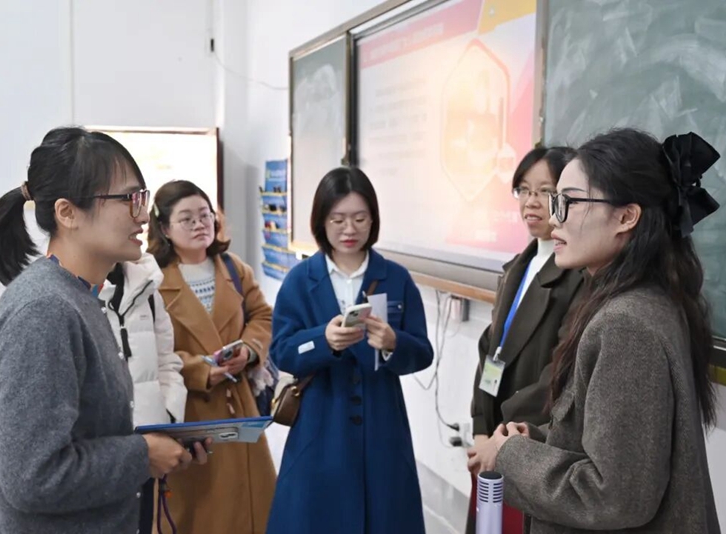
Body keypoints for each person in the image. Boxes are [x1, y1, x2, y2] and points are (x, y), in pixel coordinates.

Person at [475, 128, 721, 533]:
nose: (555, 217)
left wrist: (512, 455)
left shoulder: (626, 324)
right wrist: (536, 439)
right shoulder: (647, 300)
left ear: (626, 217)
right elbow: (611, 450)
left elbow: (614, 497)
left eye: (568, 202)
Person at [0, 127, 207, 534]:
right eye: (128, 200)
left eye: (142, 198)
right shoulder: (44, 311)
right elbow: (33, 477)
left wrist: (160, 445)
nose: (142, 216)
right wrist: (142, 455)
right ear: (67, 213)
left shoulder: (81, 296)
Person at [266, 166, 434, 534]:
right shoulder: (300, 280)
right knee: (315, 518)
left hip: (382, 424)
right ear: (321, 221)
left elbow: (422, 352)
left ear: (373, 220)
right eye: (338, 219)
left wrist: (393, 343)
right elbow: (281, 351)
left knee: (385, 517)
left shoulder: (396, 277)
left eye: (360, 218)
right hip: (319, 426)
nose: (349, 229)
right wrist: (322, 341)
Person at [147, 179, 276, 534]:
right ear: (164, 228)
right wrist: (198, 369)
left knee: (248, 506)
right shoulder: (152, 280)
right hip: (187, 412)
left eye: (205, 215)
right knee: (196, 510)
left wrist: (249, 349)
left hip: (239, 406)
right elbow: (148, 348)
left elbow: (262, 316)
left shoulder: (234, 268)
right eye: (186, 219)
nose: (199, 224)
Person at [466, 147, 582, 533]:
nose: (531, 202)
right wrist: (481, 427)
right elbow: (491, 349)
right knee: (488, 526)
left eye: (546, 191)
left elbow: (560, 373)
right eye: (525, 190)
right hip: (493, 438)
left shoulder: (578, 275)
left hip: (527, 441)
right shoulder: (519, 264)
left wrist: (500, 436)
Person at [100, 252, 189, 533]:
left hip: (149, 450)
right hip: (100, 459)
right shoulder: (69, 294)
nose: (138, 229)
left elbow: (167, 361)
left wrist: (168, 419)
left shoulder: (146, 285)